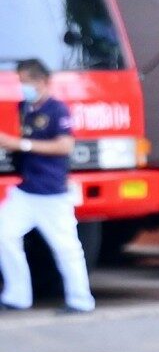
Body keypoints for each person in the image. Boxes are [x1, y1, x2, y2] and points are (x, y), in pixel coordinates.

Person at [0, 60, 94, 314]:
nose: (22, 87)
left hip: (52, 193)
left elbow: (65, 146)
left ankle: (80, 300)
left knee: (67, 249)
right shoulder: (24, 108)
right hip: (26, 191)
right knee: (4, 235)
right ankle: (17, 296)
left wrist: (22, 145)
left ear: (41, 81)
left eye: (25, 82)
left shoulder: (57, 110)